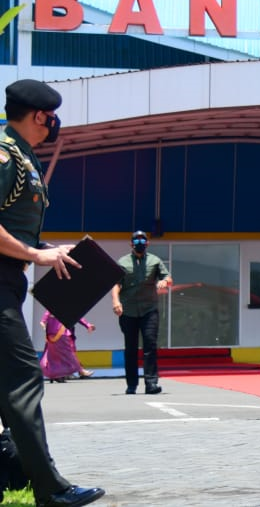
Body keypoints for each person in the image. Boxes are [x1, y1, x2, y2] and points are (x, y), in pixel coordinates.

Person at [0, 78, 105, 507]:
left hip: (9, 279)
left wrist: (45, 251)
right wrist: (33, 254)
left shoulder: (22, 157)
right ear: (41, 116)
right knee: (23, 382)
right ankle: (51, 490)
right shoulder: (6, 156)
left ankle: (14, 474)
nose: (55, 125)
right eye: (52, 117)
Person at [112, 229, 172, 395]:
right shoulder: (122, 262)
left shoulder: (155, 261)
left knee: (150, 346)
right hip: (128, 310)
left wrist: (164, 282)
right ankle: (131, 385)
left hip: (149, 310)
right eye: (136, 241)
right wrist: (116, 301)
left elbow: (168, 278)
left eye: (142, 241)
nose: (140, 243)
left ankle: (151, 384)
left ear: (147, 243)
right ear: (131, 244)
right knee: (130, 348)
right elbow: (116, 284)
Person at [40, 312, 95, 382]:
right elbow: (43, 321)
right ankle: (79, 371)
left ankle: (59, 374)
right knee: (67, 354)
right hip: (60, 335)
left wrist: (88, 325)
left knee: (59, 354)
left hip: (55, 335)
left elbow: (76, 316)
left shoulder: (60, 308)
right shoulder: (53, 309)